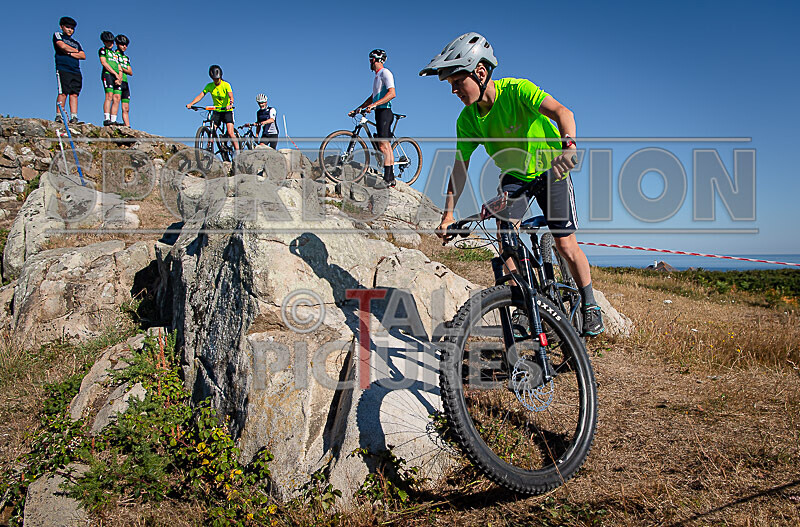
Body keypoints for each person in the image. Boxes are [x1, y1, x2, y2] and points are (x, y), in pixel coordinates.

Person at [420, 32, 604, 336]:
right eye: (451, 86)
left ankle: (589, 304)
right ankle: (523, 304)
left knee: (565, 243)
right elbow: (459, 168)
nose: (454, 91)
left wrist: (569, 147)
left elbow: (563, 113)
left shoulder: (518, 91)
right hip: (515, 177)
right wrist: (448, 214)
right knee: (506, 242)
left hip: (550, 167)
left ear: (480, 73)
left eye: (457, 82)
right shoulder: (467, 120)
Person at [349, 49, 396, 188]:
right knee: (382, 145)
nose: (369, 62)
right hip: (378, 111)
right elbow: (372, 97)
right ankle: (391, 178)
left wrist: (375, 104)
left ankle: (388, 178)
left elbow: (392, 93)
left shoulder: (385, 73)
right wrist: (358, 108)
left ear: (376, 59)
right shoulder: (377, 77)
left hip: (385, 112)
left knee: (383, 145)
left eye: (371, 59)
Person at [186, 65, 239, 153]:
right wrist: (191, 104)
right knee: (212, 130)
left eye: (217, 79)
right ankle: (209, 149)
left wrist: (230, 104)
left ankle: (238, 152)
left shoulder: (226, 85)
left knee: (230, 132)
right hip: (217, 111)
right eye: (214, 79)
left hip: (227, 111)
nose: (216, 80)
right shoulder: (209, 86)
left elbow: (231, 96)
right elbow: (201, 95)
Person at [53, 16, 86, 124]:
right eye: (67, 27)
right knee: (63, 92)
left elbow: (83, 55)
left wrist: (70, 52)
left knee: (74, 93)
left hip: (75, 70)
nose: (70, 30)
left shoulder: (76, 43)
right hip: (63, 68)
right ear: (62, 27)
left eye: (72, 28)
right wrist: (75, 52)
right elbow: (61, 46)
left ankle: (74, 117)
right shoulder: (58, 35)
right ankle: (59, 115)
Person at [99, 31, 122, 126]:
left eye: (112, 42)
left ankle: (113, 119)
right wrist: (114, 74)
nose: (110, 44)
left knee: (117, 98)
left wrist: (119, 77)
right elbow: (104, 63)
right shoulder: (103, 50)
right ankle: (107, 118)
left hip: (117, 77)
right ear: (104, 42)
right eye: (108, 42)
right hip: (108, 74)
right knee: (109, 95)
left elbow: (120, 67)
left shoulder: (115, 53)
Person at [115, 34, 132, 127]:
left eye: (126, 45)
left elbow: (130, 72)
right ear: (117, 44)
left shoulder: (126, 58)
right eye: (122, 44)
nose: (124, 47)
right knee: (116, 100)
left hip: (125, 82)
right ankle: (113, 120)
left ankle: (127, 125)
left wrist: (121, 67)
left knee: (126, 107)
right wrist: (122, 68)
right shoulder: (114, 54)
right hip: (117, 79)